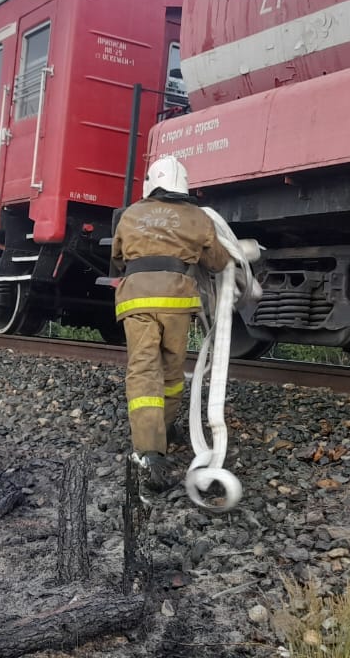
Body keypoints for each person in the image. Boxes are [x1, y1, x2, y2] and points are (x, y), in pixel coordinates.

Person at [111, 155, 231, 491]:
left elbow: (118, 258)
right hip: (177, 300)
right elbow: (218, 262)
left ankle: (149, 450)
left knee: (144, 369)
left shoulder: (130, 214)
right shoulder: (197, 216)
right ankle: (167, 425)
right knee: (172, 369)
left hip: (137, 300)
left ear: (151, 182)